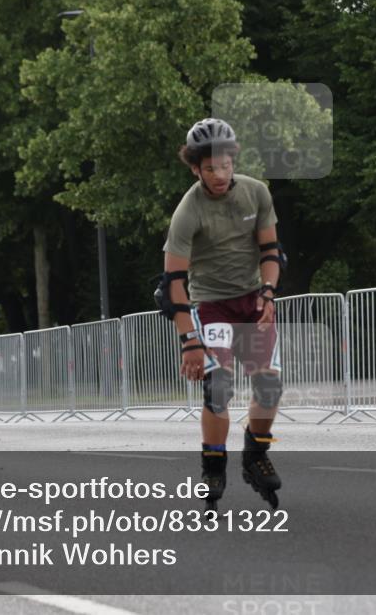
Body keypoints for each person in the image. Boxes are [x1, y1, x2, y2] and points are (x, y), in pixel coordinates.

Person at [160, 117, 284, 511]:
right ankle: (213, 464)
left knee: (269, 387)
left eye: (225, 165)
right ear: (195, 168)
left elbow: (271, 253)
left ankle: (254, 454)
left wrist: (268, 293)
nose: (219, 174)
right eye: (209, 168)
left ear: (234, 160)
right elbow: (173, 282)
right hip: (211, 306)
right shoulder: (188, 211)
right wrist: (189, 342)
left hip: (252, 300)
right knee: (218, 389)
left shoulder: (256, 193)